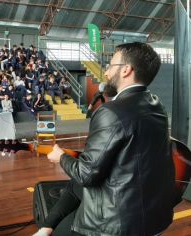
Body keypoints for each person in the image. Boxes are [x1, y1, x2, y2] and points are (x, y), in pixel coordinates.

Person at [35, 42, 175, 236]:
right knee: (74, 186)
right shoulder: (156, 105)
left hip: (117, 223)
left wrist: (60, 157)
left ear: (126, 70)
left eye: (110, 65)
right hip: (153, 214)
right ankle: (46, 227)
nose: (107, 72)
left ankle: (47, 229)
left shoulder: (111, 112)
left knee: (62, 229)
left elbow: (87, 175)